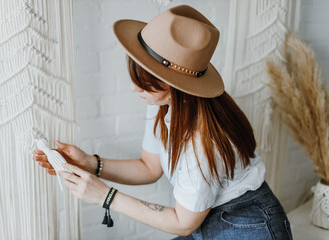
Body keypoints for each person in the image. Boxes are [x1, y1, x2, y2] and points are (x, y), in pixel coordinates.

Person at [33, 5, 293, 239]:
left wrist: (104, 195)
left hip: (248, 225)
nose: (135, 89)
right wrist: (91, 163)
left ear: (174, 86)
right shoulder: (164, 104)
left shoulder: (203, 141)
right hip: (205, 218)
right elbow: (149, 167)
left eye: (144, 82)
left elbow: (183, 224)